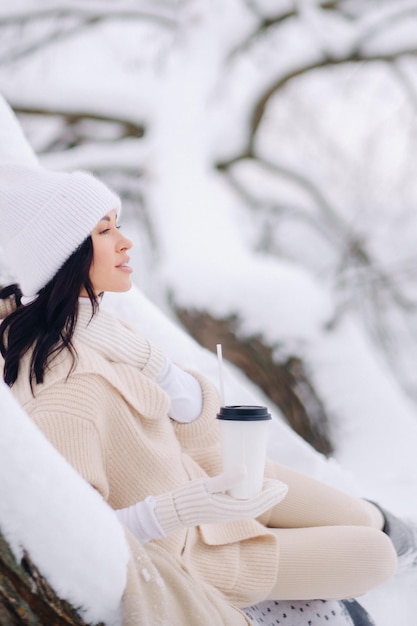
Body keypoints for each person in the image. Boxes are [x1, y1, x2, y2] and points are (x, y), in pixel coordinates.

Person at [0, 163, 414, 625]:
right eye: (104, 230)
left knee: (369, 521)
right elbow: (82, 542)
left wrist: (155, 366)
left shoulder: (105, 331)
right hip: (208, 551)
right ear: (67, 254)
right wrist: (178, 509)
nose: (125, 241)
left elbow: (196, 431)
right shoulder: (65, 387)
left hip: (219, 477)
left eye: (118, 224)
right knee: (375, 552)